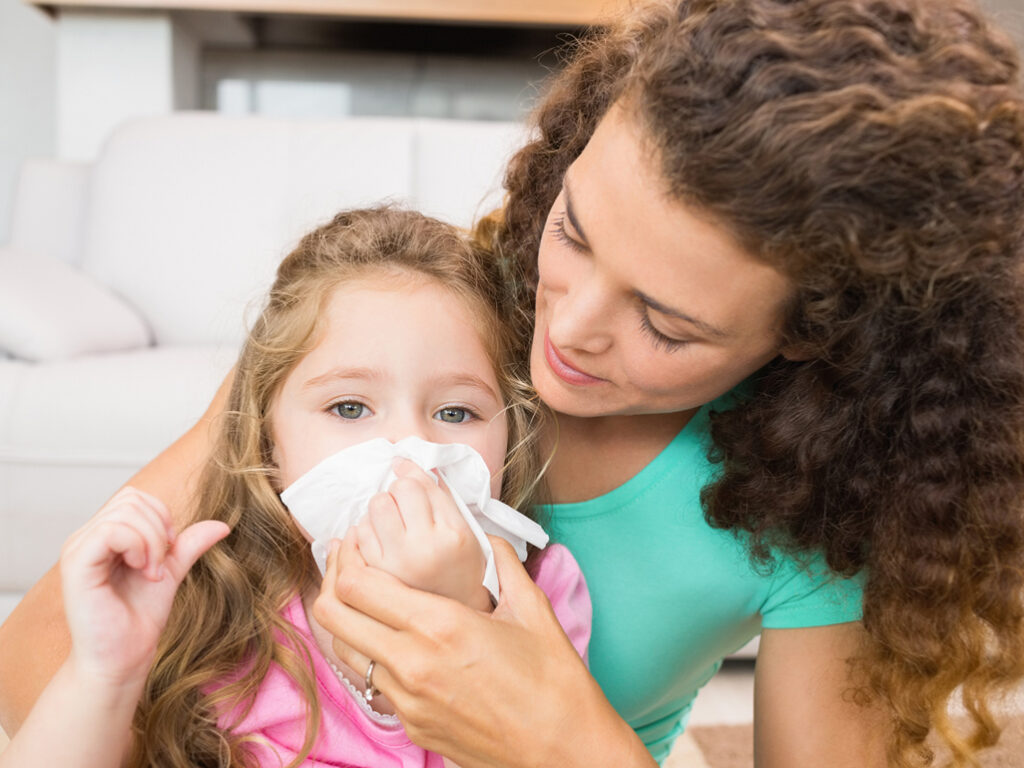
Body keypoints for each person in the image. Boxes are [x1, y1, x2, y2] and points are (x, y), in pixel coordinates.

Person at [3, 0, 1023, 765]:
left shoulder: (818, 523)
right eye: (572, 230)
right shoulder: (408, 321)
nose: (566, 329)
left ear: (813, 332)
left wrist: (562, 739)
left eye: (663, 322)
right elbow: (28, 682)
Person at [0, 207, 591, 768]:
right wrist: (104, 673)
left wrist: (466, 614)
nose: (406, 451)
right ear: (267, 442)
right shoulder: (212, 593)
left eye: (457, 413)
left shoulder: (539, 599)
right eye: (351, 406)